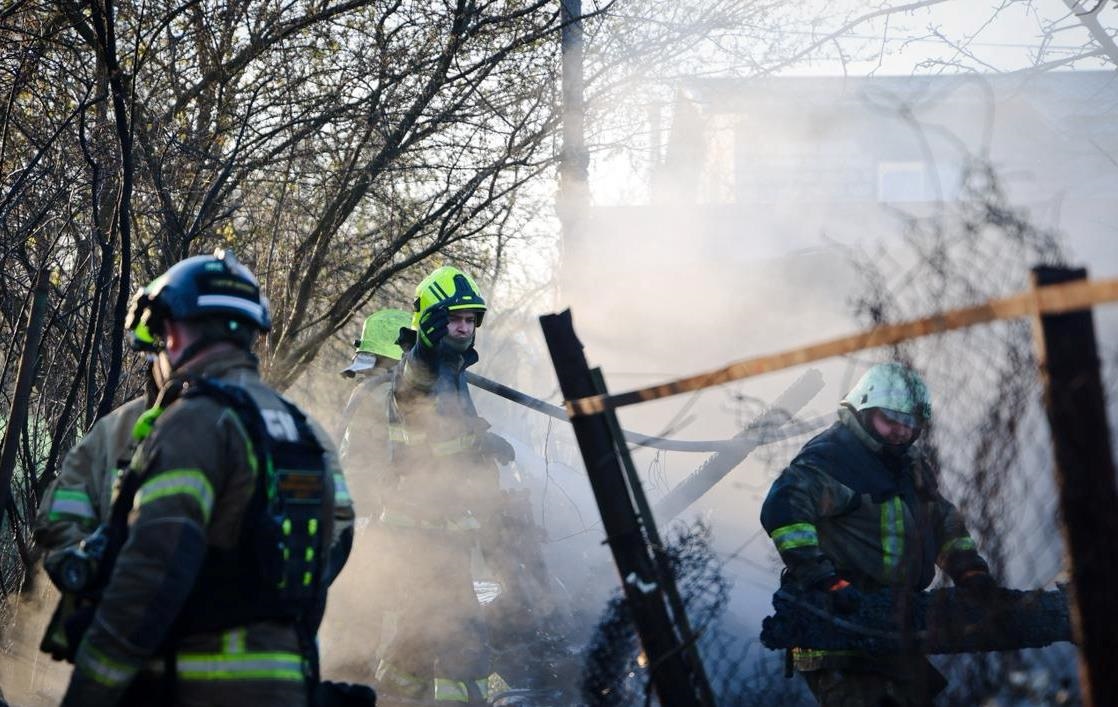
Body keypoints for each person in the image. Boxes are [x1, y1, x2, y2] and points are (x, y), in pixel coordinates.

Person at [60, 249, 356, 707]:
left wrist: (89, 691)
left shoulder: (195, 422)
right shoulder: (300, 427)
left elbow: (151, 573)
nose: (158, 358)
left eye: (158, 341)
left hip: (196, 683)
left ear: (174, 332)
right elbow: (330, 545)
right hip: (288, 682)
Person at [761, 362, 997, 707]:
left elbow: (939, 519)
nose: (902, 430)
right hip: (836, 625)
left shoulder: (907, 464)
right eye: (892, 419)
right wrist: (824, 580)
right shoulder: (833, 458)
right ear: (863, 409)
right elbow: (784, 510)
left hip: (889, 623)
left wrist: (969, 570)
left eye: (911, 422)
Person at [368, 266, 515, 705]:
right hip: (424, 526)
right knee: (462, 633)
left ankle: (393, 696)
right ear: (432, 321)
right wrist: (480, 442)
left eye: (470, 320)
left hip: (434, 526)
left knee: (419, 630)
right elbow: (434, 436)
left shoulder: (452, 370)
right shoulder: (423, 367)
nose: (464, 328)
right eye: (454, 319)